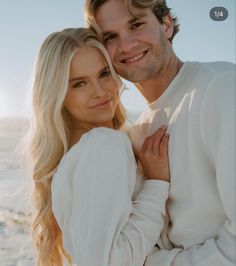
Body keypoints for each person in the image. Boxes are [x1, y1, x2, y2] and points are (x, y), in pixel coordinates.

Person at [84, 0, 236, 265]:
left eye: (136, 24)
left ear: (166, 24)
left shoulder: (222, 87)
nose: (127, 44)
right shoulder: (135, 134)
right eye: (111, 36)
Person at [27, 27, 171, 266]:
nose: (100, 91)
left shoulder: (81, 150)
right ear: (58, 95)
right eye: (79, 83)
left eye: (104, 74)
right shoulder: (103, 144)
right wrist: (156, 186)